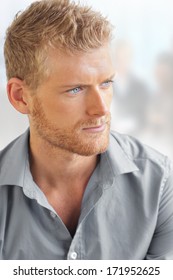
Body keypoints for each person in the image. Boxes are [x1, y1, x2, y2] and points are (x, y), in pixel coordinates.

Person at [0, 0, 173, 260]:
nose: (101, 109)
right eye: (75, 89)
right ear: (21, 97)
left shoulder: (159, 183)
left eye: (106, 83)